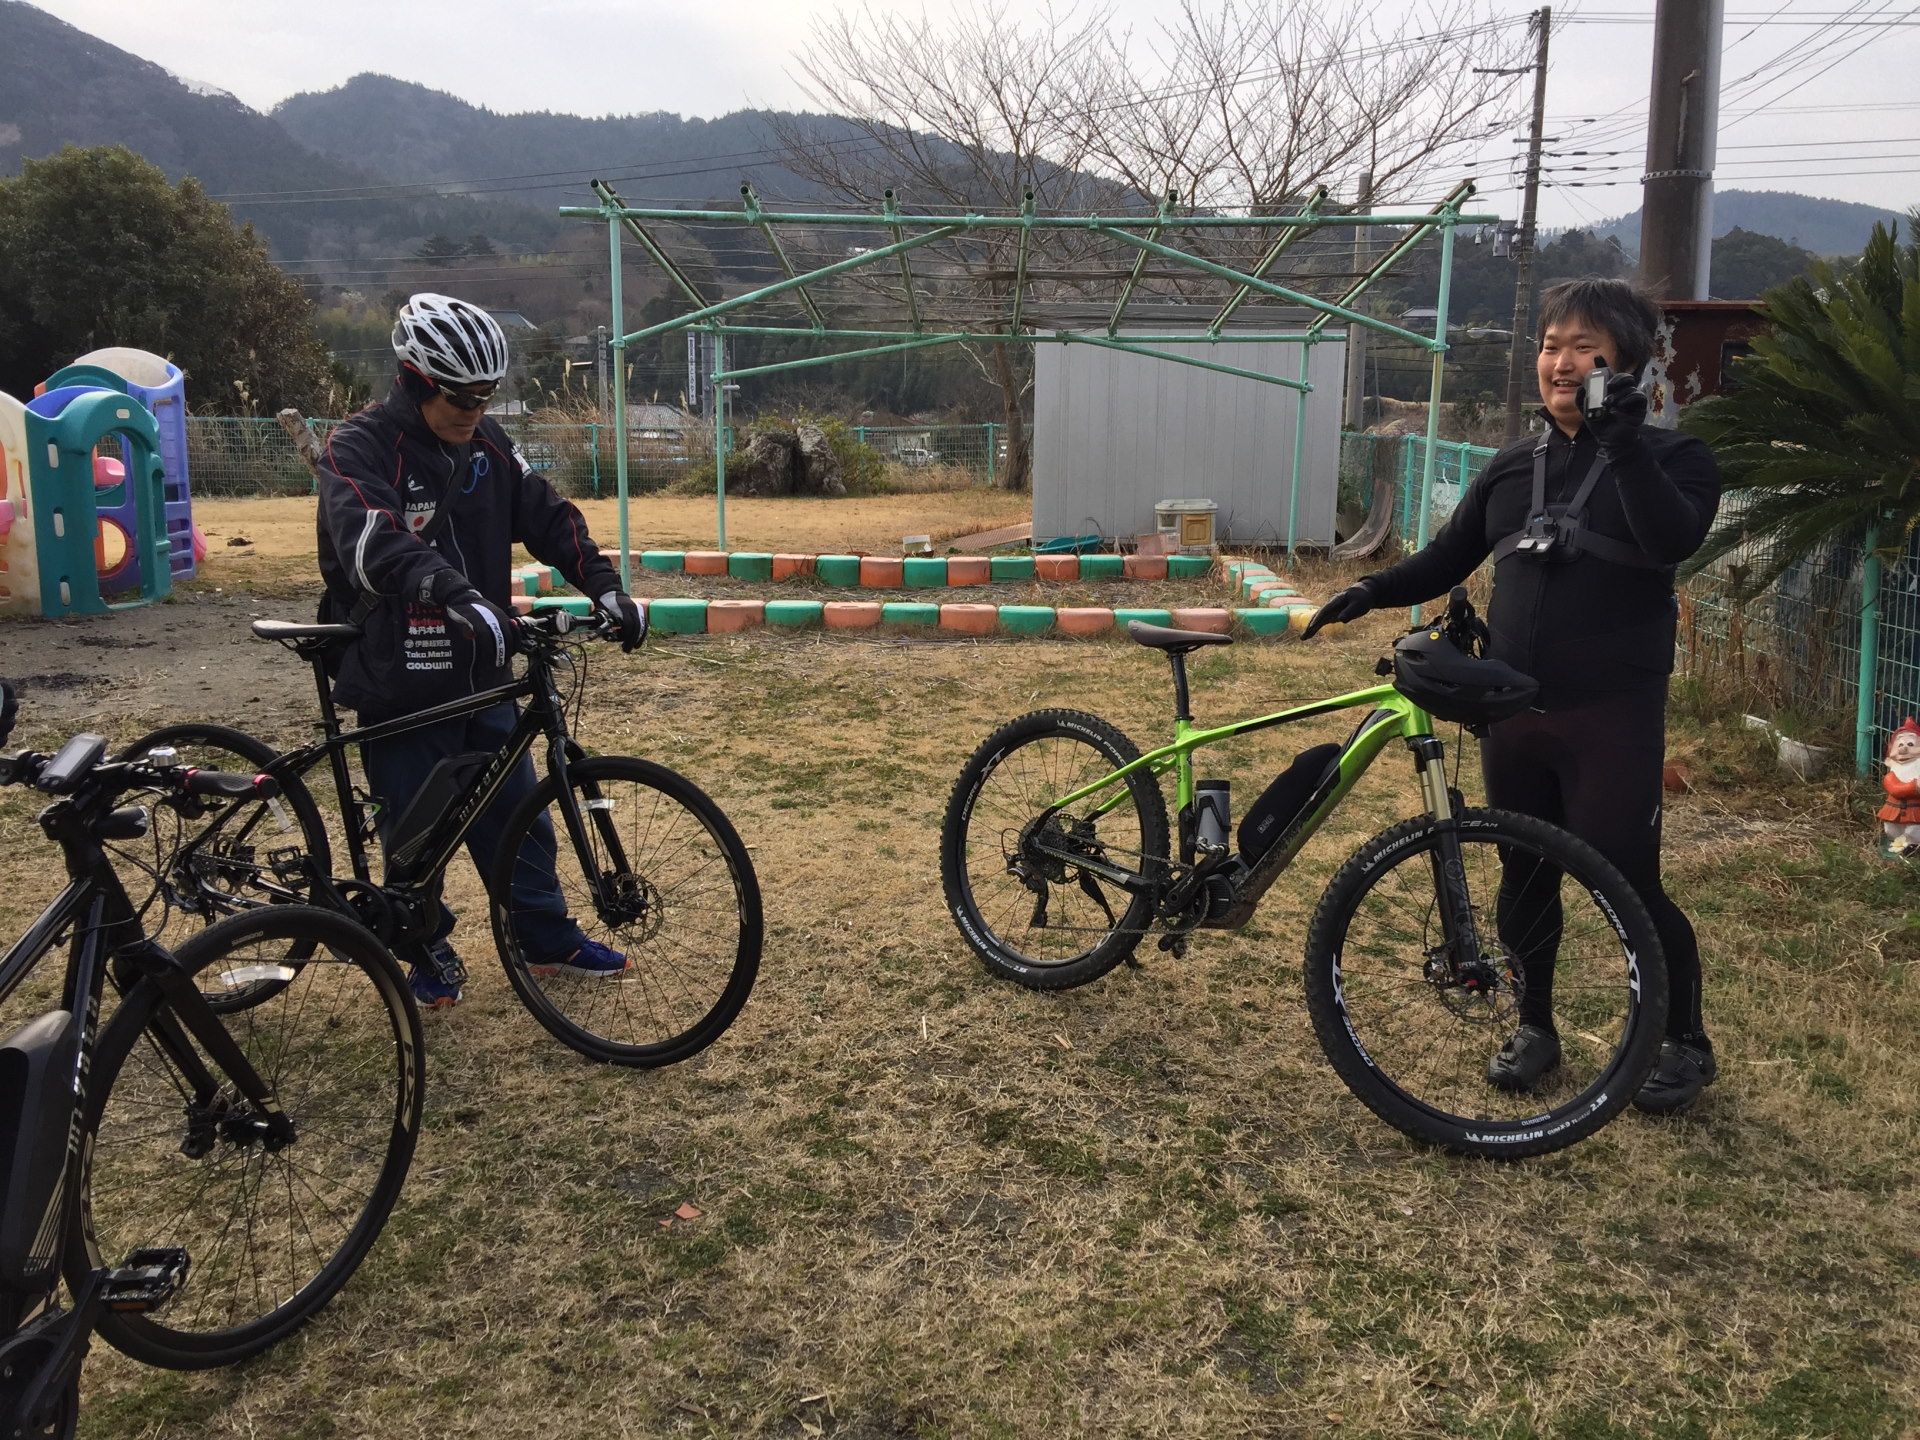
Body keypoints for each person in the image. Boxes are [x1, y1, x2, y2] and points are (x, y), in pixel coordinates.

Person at [1304, 276, 1721, 1114]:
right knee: (1522, 875)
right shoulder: (1510, 466)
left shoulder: (1676, 460)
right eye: (1550, 345)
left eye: (1583, 349)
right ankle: (1535, 1027)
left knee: (1629, 882)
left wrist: (1624, 445)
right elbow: (1447, 556)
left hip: (1609, 715)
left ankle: (1684, 1041)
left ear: (1626, 363)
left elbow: (1670, 539)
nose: (1560, 363)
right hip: (1513, 712)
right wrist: (1372, 590)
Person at [316, 293, 647, 1008]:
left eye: (485, 395)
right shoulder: (358, 446)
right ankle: (422, 946)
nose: (474, 409)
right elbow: (372, 541)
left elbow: (547, 514)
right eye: (460, 396)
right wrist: (452, 591)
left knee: (518, 815)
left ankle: (545, 938)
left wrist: (605, 586)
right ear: (415, 379)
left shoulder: (488, 442)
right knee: (414, 831)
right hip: (401, 675)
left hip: (485, 673)